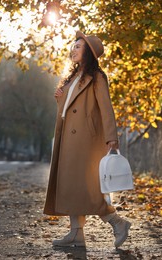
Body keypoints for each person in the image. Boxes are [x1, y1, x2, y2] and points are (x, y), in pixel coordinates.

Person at [43, 31, 131, 248]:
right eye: (73, 46)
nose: (73, 49)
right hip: (68, 139)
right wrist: (60, 99)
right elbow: (69, 111)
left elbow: (106, 108)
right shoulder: (73, 77)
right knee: (71, 186)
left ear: (89, 53)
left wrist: (112, 138)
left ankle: (118, 222)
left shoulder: (98, 77)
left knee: (88, 188)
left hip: (86, 141)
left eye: (78, 47)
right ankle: (76, 233)